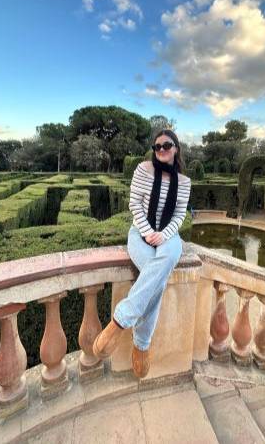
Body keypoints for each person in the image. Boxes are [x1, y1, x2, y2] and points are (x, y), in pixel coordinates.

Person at [92, 129, 192, 378]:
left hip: (168, 235)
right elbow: (134, 203)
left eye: (166, 145)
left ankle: (119, 323)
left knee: (167, 258)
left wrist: (164, 235)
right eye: (157, 147)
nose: (161, 150)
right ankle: (141, 346)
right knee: (154, 274)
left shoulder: (185, 182)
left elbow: (180, 214)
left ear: (176, 148)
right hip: (139, 233)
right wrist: (148, 233)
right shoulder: (143, 170)